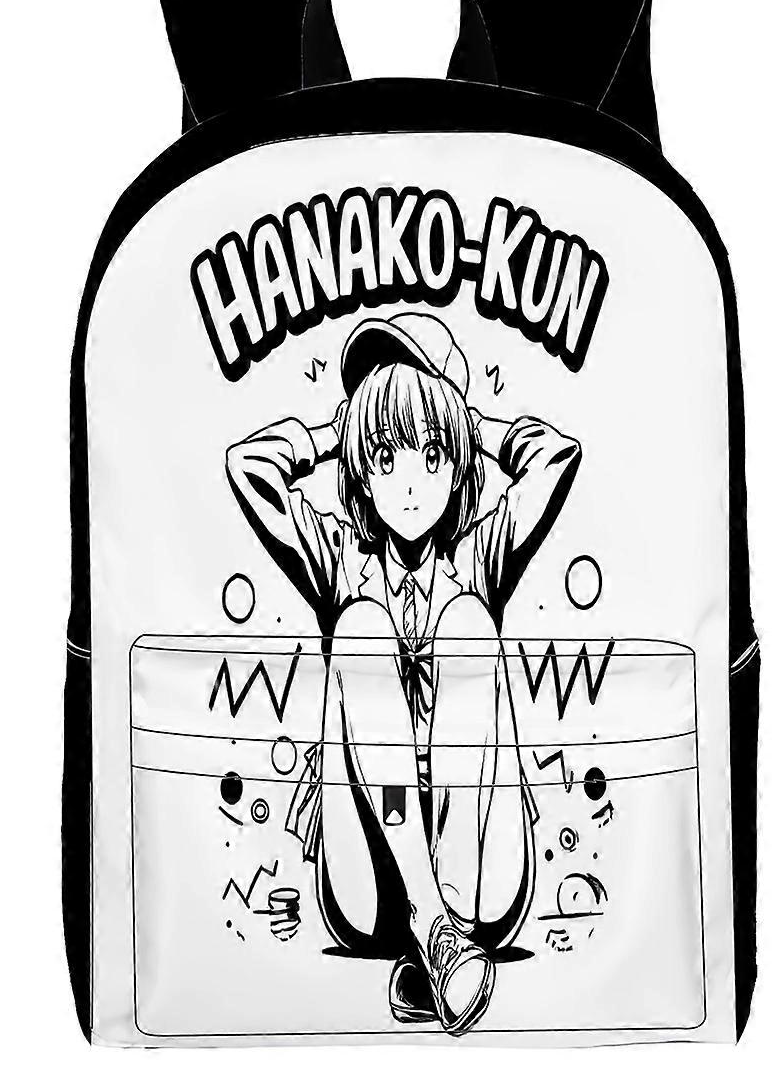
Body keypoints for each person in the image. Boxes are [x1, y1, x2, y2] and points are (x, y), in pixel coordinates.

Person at [226, 312, 582, 1035]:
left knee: (467, 621)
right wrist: (337, 432)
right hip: (370, 888)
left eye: (431, 454)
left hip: (481, 868)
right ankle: (432, 930)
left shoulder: (480, 554)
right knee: (359, 627)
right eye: (384, 458)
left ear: (458, 460)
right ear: (360, 469)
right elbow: (248, 467)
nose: (409, 484)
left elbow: (555, 456)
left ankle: (441, 937)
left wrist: (467, 421)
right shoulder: (340, 557)